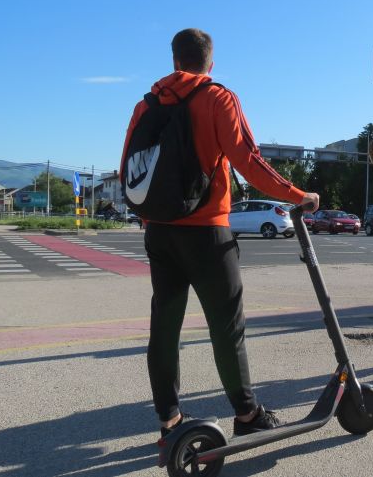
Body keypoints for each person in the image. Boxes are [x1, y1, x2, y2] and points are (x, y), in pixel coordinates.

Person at [120, 28, 320, 439]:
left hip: (159, 233)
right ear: (210, 63)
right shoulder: (218, 97)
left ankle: (169, 421)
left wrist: (152, 217)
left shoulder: (146, 104)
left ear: (175, 61)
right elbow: (248, 160)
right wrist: (299, 195)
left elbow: (129, 169)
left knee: (165, 327)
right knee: (226, 328)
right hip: (207, 234)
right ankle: (247, 416)